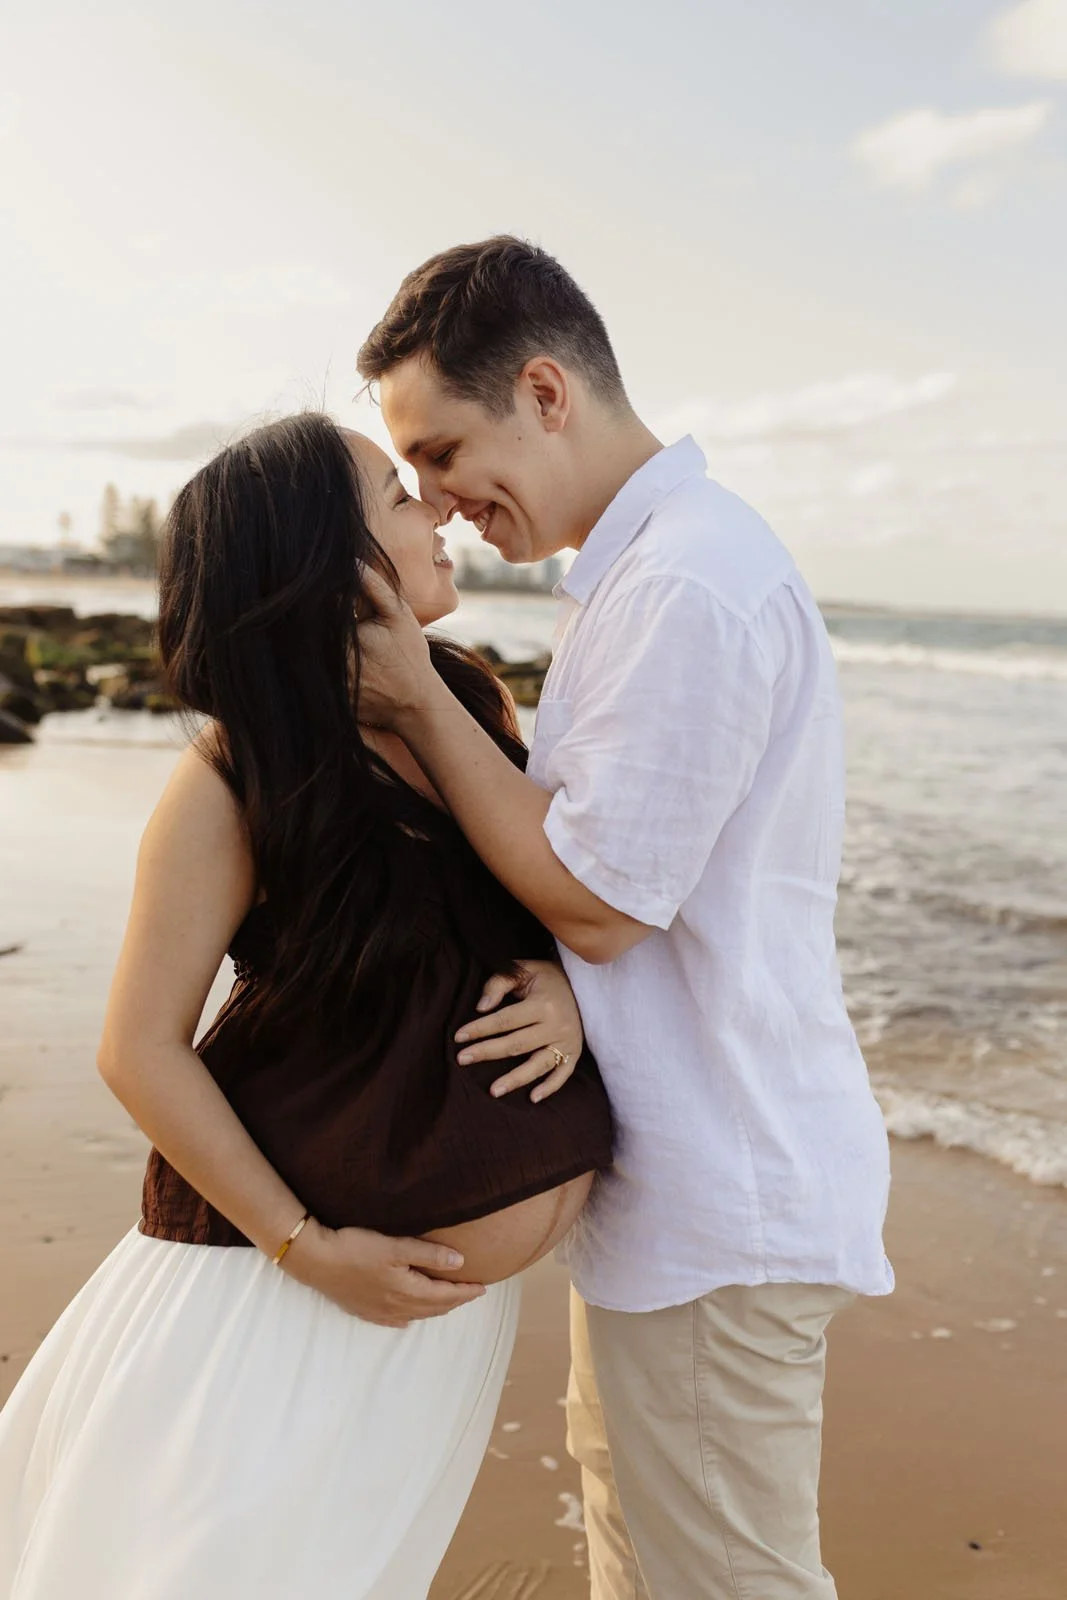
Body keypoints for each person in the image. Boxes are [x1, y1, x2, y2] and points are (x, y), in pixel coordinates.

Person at [354, 236, 895, 1599]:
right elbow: (612, 881)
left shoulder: (685, 587)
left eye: (438, 453)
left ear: (543, 392)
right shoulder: (642, 571)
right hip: (683, 1191)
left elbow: (598, 900)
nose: (434, 501)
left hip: (725, 1193)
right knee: (642, 1555)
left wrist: (419, 697)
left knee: (719, 1580)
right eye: (408, 474)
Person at [0, 413, 614, 1599]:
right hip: (270, 1302)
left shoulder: (468, 709)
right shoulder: (234, 775)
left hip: (425, 1333)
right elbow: (138, 1048)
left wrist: (566, 989)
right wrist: (307, 1248)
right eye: (396, 494)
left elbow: (561, 903)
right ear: (327, 565)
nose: (436, 508)